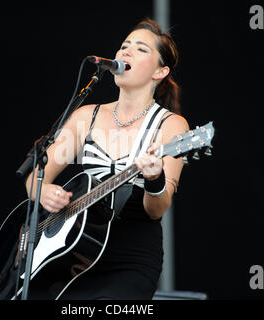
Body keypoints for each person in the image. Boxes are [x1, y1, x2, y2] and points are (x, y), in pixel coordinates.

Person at [25, 17, 189, 300]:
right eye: (124, 46)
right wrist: (44, 193)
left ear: (160, 71)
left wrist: (154, 178)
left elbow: (157, 209)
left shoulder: (172, 126)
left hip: (130, 261)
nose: (125, 52)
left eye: (140, 49)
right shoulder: (84, 116)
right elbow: (34, 179)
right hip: (73, 256)